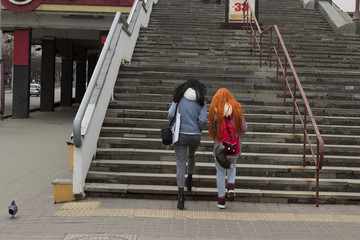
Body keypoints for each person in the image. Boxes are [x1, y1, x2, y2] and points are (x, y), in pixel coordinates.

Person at [167, 78, 208, 210]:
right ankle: (189, 179)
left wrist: (175, 124)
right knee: (191, 155)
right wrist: (197, 129)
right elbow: (203, 120)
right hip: (195, 135)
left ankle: (181, 196)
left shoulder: (178, 98)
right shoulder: (201, 100)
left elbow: (170, 113)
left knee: (180, 163)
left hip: (180, 134)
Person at [208, 88, 247, 209]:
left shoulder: (215, 112)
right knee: (232, 166)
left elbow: (213, 131)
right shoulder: (237, 109)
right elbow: (244, 129)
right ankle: (230, 186)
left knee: (220, 173)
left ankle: (221, 200)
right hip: (234, 147)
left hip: (220, 147)